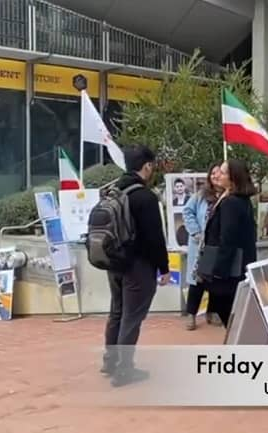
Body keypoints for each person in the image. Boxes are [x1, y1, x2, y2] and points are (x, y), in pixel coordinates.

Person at [101, 146, 170, 387]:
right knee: (131, 318)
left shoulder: (113, 191)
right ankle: (124, 370)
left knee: (117, 312)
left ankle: (110, 361)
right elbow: (154, 238)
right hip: (138, 266)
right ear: (147, 166)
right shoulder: (145, 197)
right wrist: (163, 267)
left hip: (114, 263)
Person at [198, 159, 257, 326]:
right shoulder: (237, 199)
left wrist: (218, 271)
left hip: (228, 271)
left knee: (230, 317)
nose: (218, 175)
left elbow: (228, 239)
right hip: (236, 266)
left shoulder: (231, 202)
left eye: (223, 173)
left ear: (233, 178)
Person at [182, 163, 223, 331]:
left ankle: (212, 311)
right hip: (201, 245)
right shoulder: (201, 195)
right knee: (197, 281)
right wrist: (195, 231)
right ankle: (191, 314)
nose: (215, 176)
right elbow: (187, 211)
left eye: (219, 173)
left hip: (218, 245)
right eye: (212, 173)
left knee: (216, 280)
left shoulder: (228, 196)